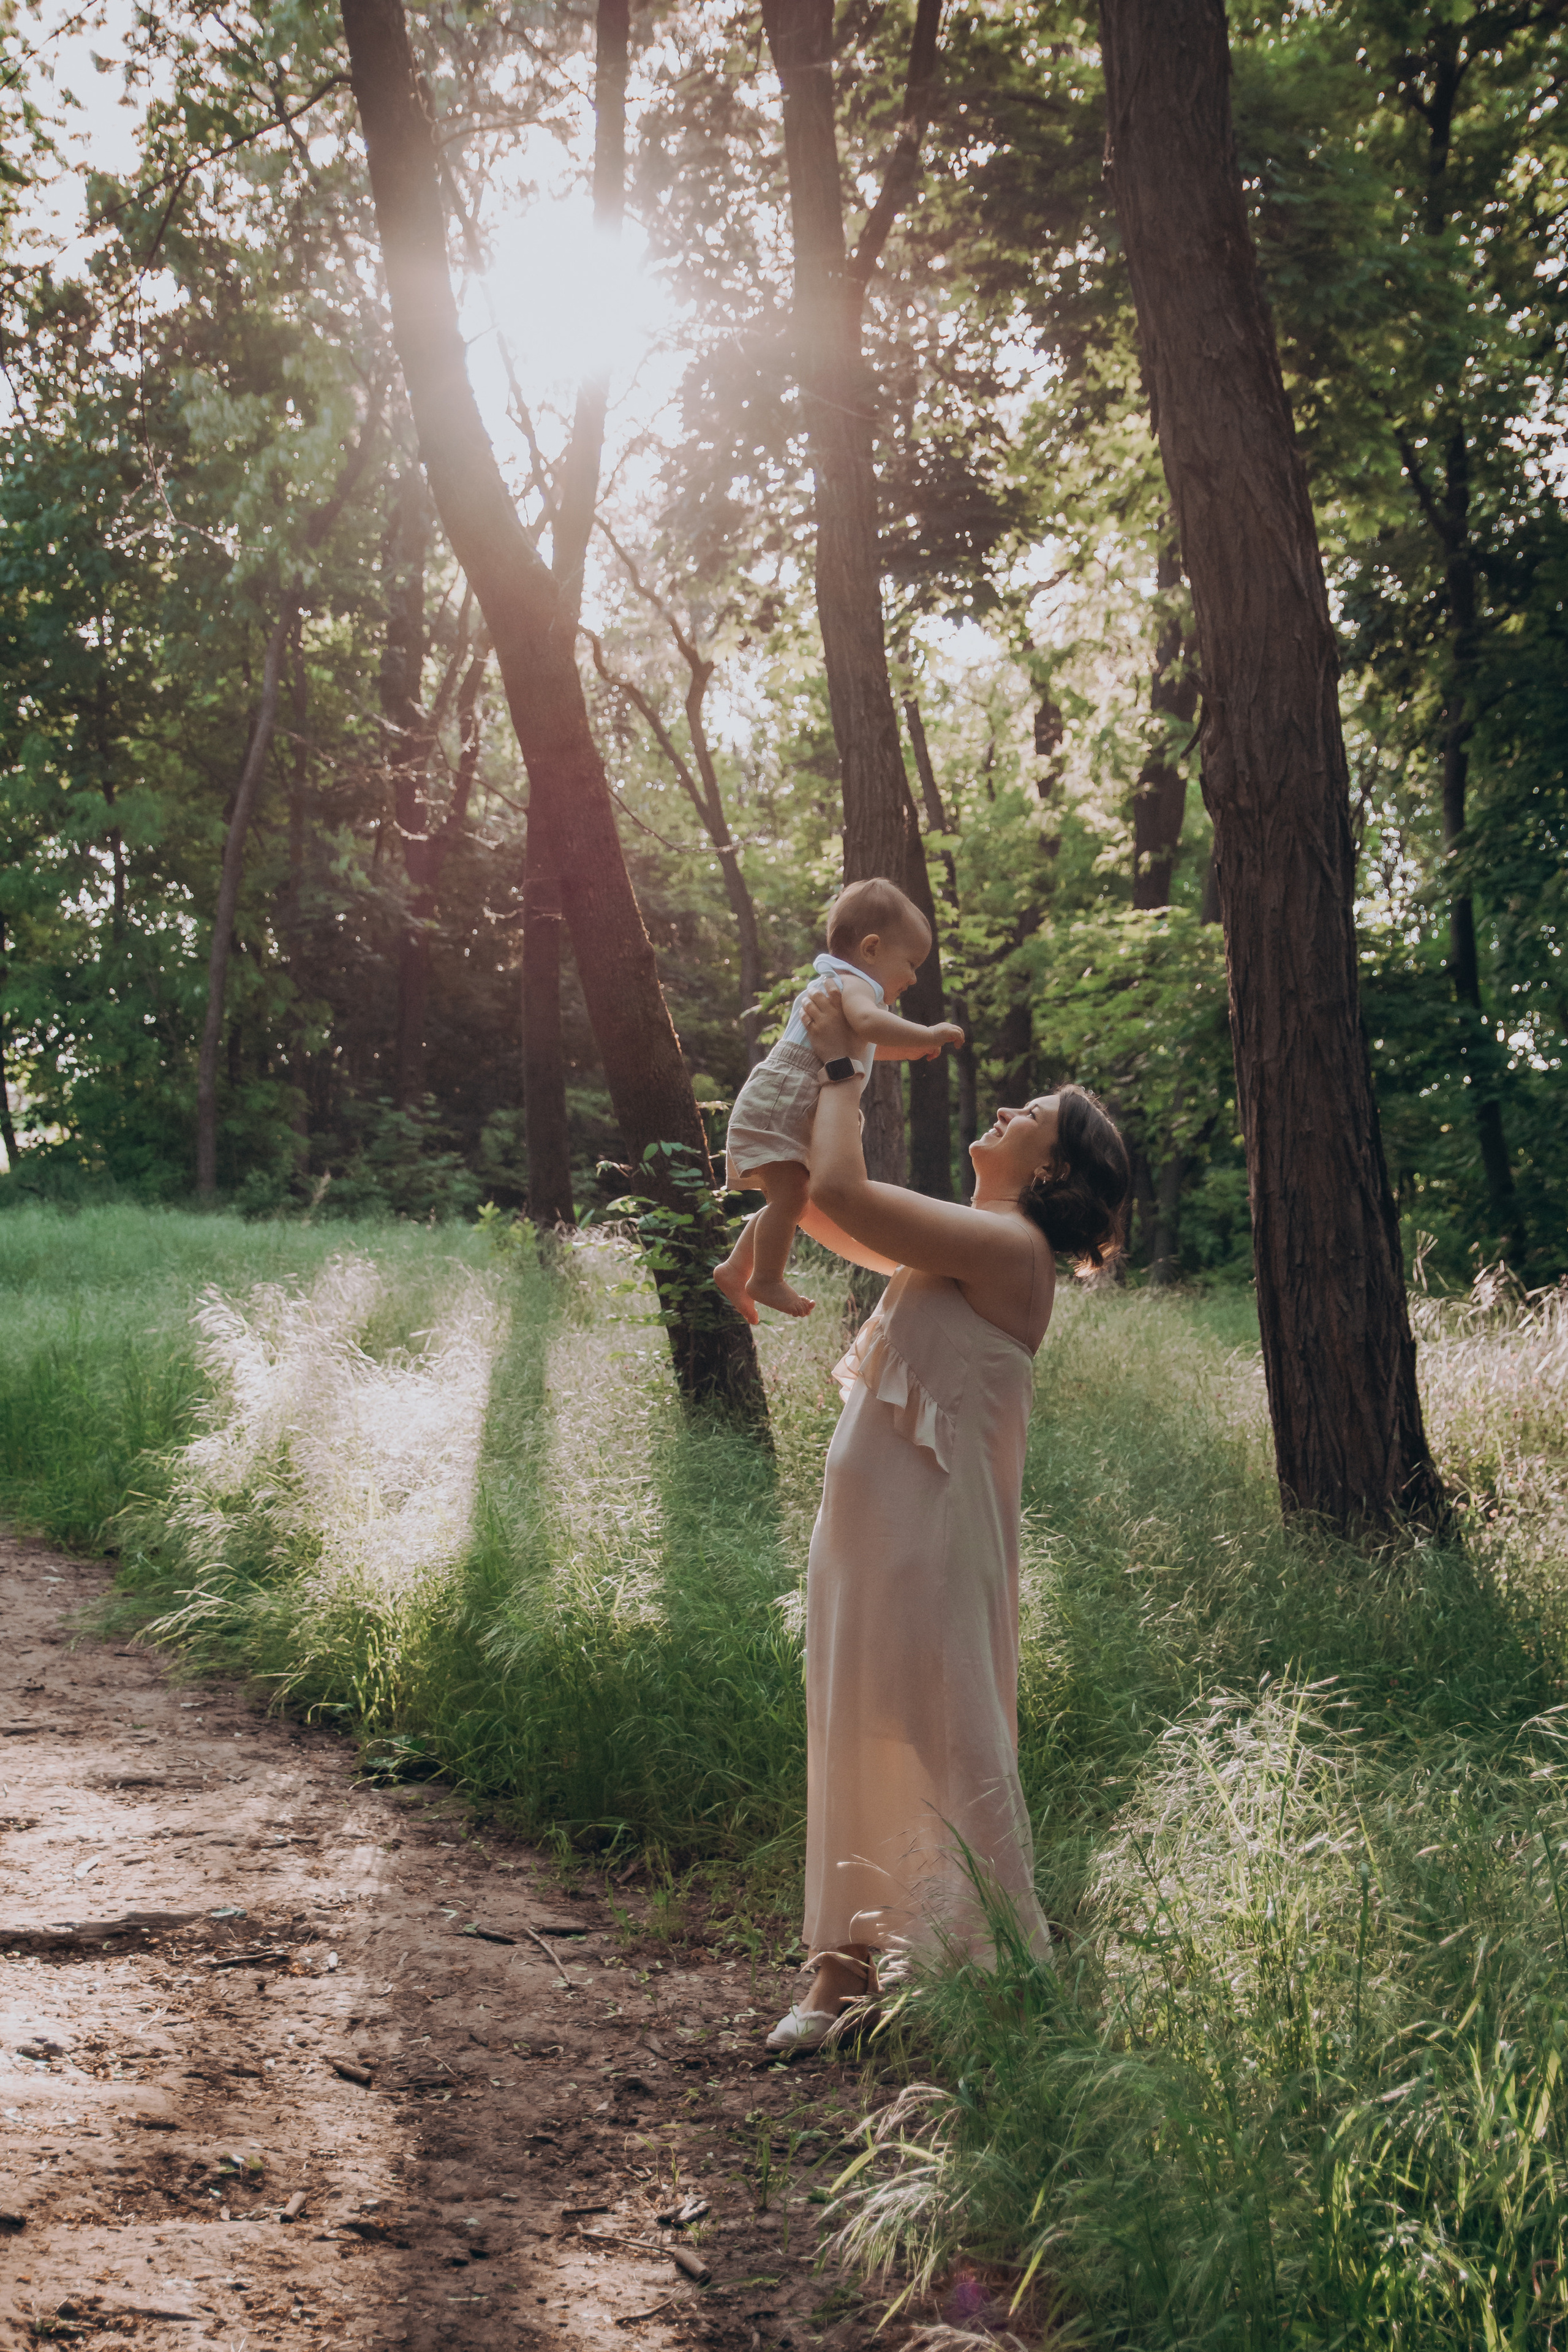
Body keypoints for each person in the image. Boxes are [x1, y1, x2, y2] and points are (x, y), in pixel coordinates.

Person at [763, 979, 1130, 2054]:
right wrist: (796, 1085)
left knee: (946, 1736)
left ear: (1051, 1171)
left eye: (1032, 1116)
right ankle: (841, 1968)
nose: (1007, 1111)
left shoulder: (1010, 1251)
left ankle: (992, 1969)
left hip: (932, 1541)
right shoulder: (964, 1236)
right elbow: (822, 1207)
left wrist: (850, 1062)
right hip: (868, 1537)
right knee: (853, 1727)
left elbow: (845, 1186)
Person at [714, 878, 963, 1322]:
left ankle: (737, 1268)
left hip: (790, 1098)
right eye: (910, 963)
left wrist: (907, 1049)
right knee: (790, 1201)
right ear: (872, 949)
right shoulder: (855, 985)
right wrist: (926, 1034)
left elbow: (862, 1042)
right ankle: (763, 1278)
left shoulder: (841, 986)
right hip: (787, 1098)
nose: (913, 977)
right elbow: (867, 1025)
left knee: (790, 1199)